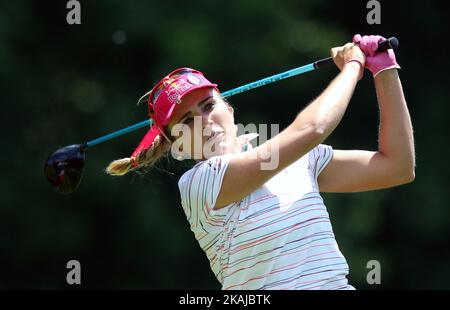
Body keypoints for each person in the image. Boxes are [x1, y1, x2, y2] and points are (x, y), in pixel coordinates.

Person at [106, 34, 415, 290]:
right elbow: (312, 129)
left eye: (208, 105)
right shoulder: (200, 183)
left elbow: (397, 167)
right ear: (178, 144)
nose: (204, 122)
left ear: (228, 107)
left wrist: (385, 71)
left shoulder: (299, 161)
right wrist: (352, 66)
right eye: (187, 121)